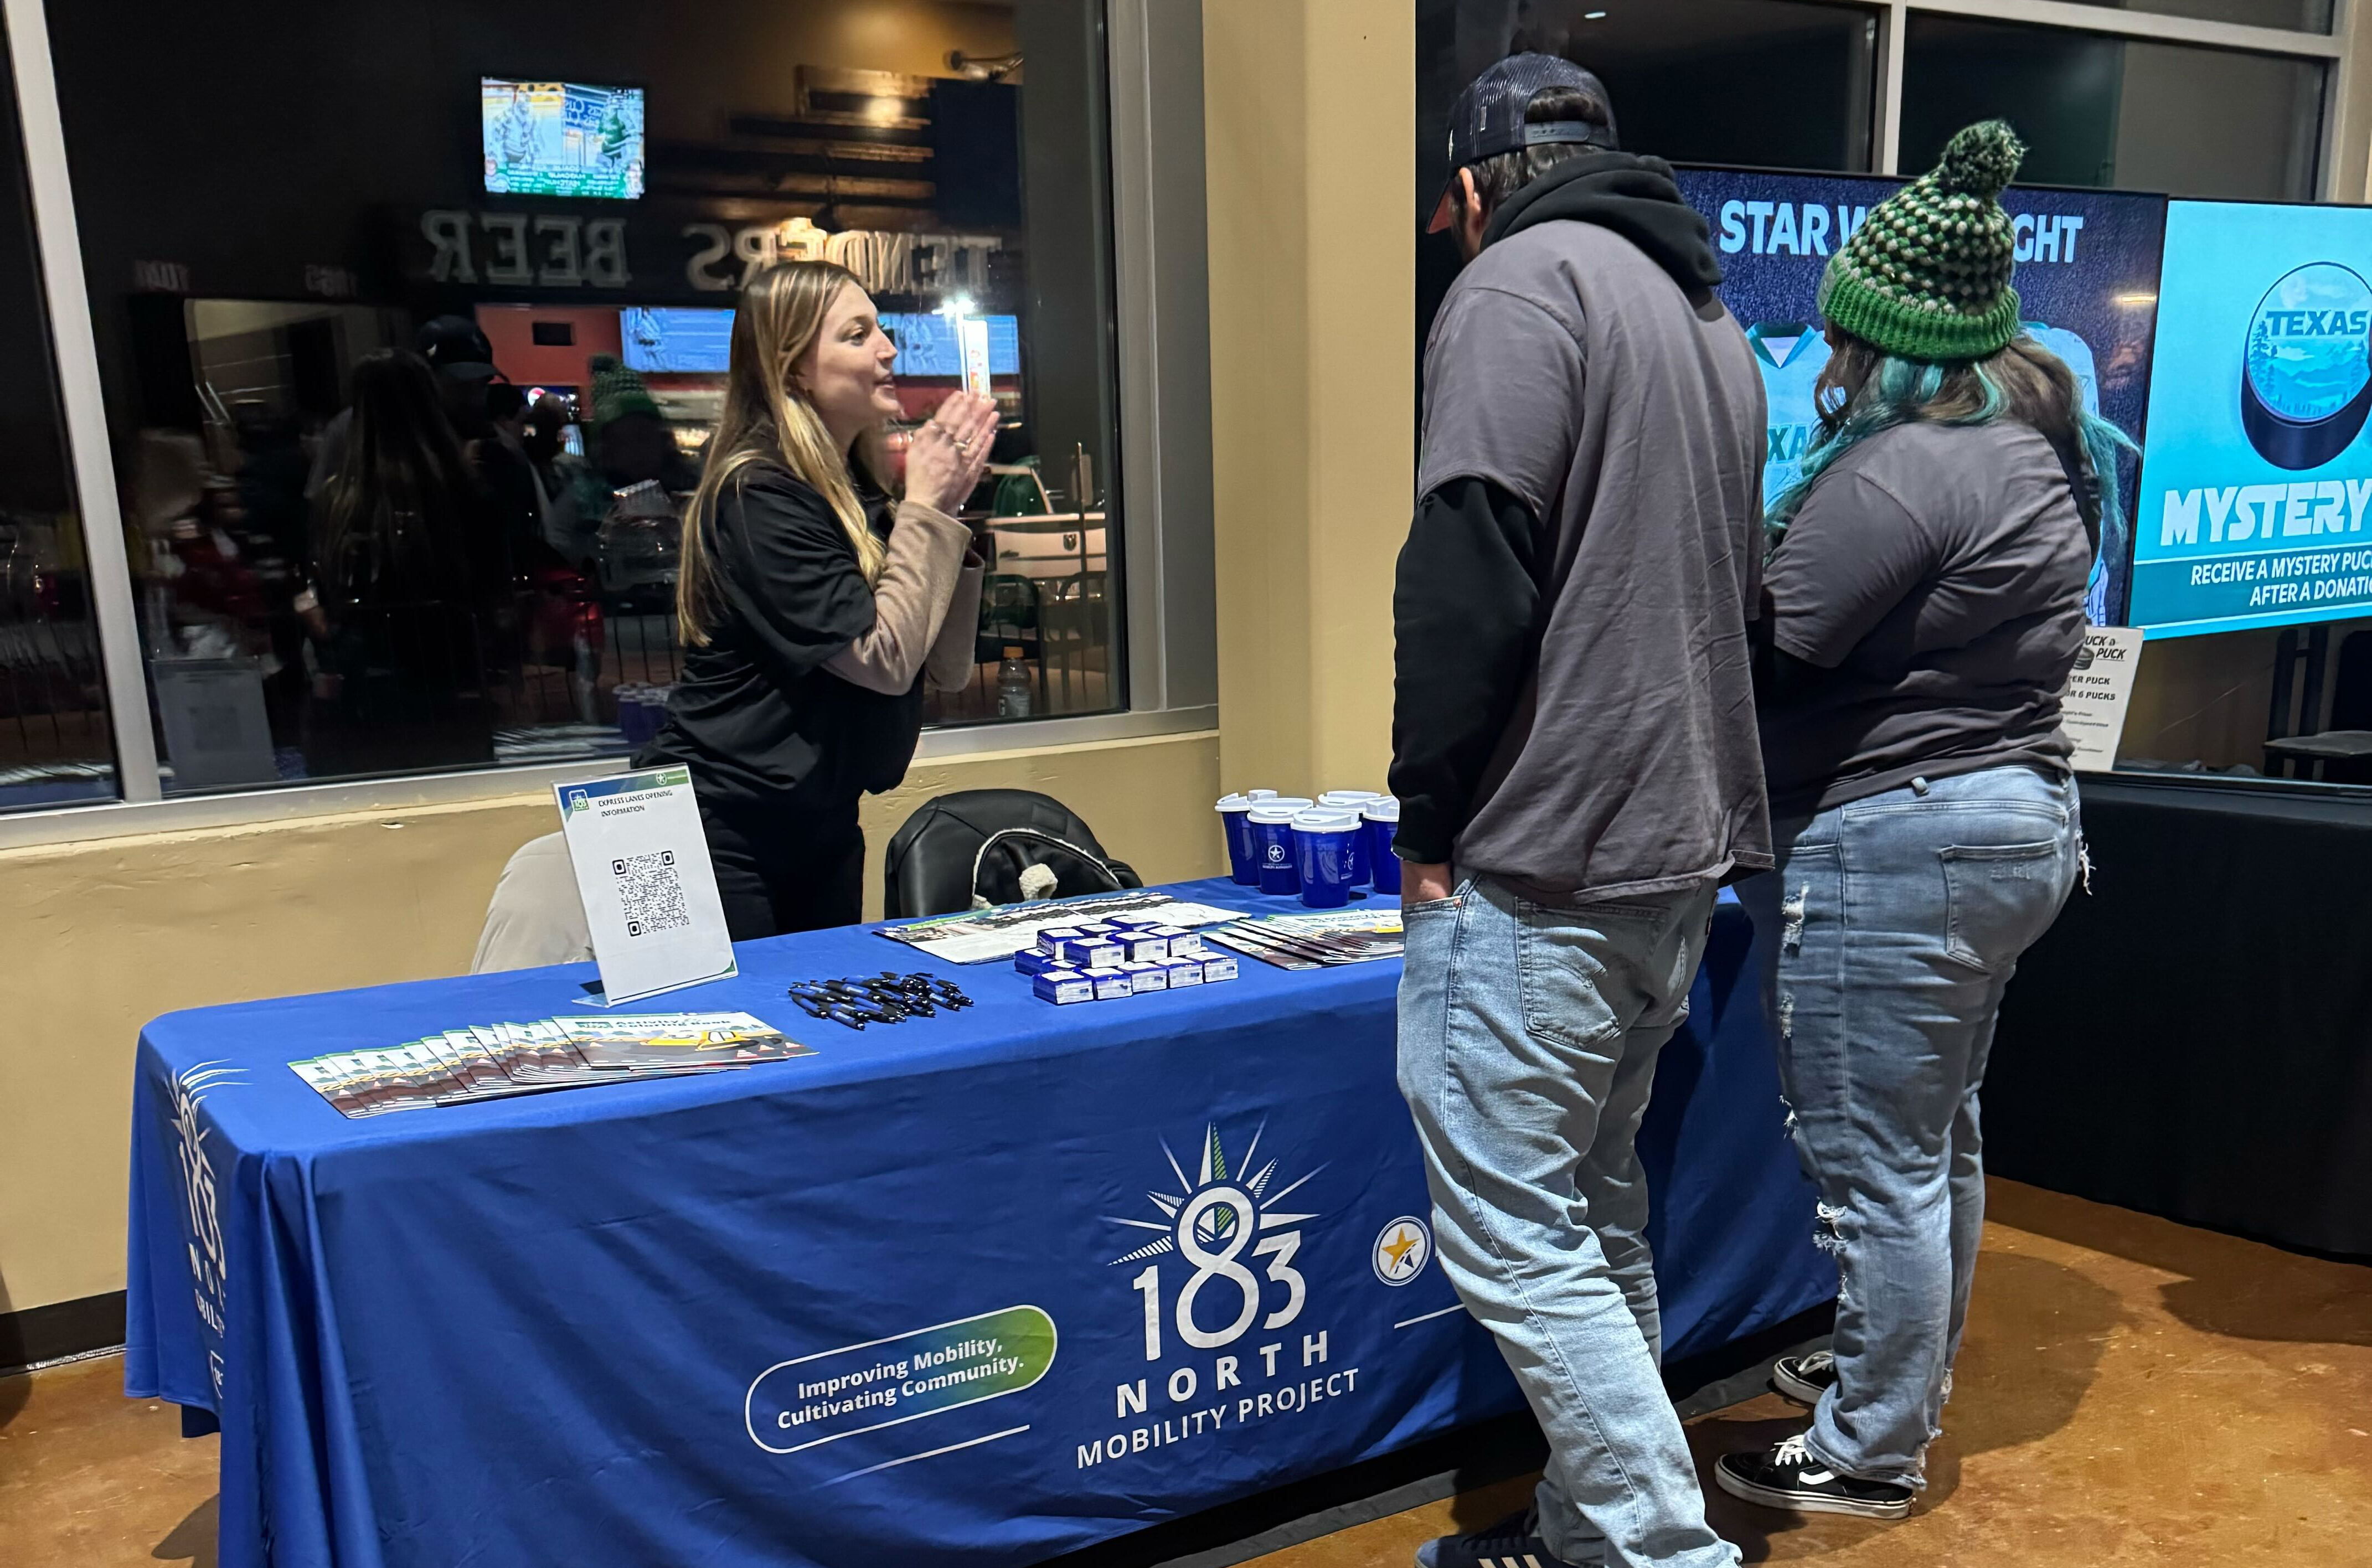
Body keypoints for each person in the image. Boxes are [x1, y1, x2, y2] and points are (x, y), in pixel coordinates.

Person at [1390, 55, 1771, 1568]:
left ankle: (1661, 1550)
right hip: (1675, 846)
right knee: (1595, 1210)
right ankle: (1587, 1535)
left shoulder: (1514, 287)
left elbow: (1466, 569)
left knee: (1512, 1228)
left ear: (1475, 185)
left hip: (1544, 855)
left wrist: (1424, 821)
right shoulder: (1709, 319)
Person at [1713, 123, 2112, 1522]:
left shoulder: (1905, 470)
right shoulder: (2039, 447)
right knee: (1937, 1140)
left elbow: (1774, 651)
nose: (1825, 359)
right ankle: (1897, 1372)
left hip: (1900, 840)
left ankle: (1869, 1446)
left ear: (1885, 339)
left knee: (1875, 1163)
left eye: (1840, 336)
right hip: (2011, 821)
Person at [637, 260, 994, 938]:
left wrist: (942, 514)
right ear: (794, 368)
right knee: (732, 1011)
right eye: (857, 335)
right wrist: (925, 507)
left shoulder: (860, 497)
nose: (888, 350)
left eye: (881, 330)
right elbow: (882, 661)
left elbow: (945, 667)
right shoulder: (757, 495)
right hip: (713, 822)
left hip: (819, 820)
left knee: (820, 1006)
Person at [306, 349, 514, 777]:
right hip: (452, 673)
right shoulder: (465, 490)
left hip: (366, 680)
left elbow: (326, 590)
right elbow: (494, 583)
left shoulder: (336, 501)